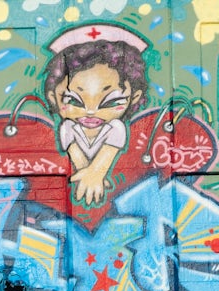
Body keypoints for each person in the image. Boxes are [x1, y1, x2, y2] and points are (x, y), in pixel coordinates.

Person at [42, 24, 149, 207]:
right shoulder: (68, 127)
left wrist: (95, 174)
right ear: (53, 98)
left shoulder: (116, 128)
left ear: (134, 98)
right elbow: (77, 159)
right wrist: (89, 176)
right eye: (74, 100)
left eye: (111, 101)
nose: (91, 111)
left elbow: (105, 157)